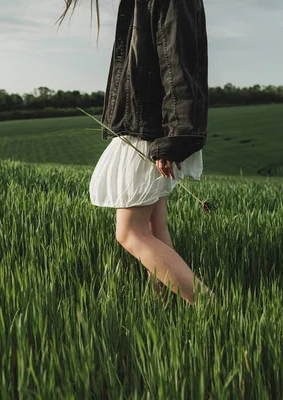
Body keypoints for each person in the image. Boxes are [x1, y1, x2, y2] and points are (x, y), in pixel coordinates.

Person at [58, 0, 212, 305]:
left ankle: (216, 310)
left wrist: (174, 138)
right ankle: (162, 307)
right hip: (153, 127)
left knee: (130, 233)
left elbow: (178, 65)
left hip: (152, 129)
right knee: (154, 228)